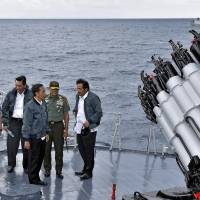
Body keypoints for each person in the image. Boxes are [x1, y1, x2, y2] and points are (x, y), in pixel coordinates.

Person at [2, 76, 33, 173]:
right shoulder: (11, 94)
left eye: (19, 86)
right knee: (11, 145)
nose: (17, 88)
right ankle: (11, 164)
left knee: (26, 145)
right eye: (16, 85)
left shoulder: (31, 94)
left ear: (24, 85)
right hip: (13, 122)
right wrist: (6, 123)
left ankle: (26, 166)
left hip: (26, 123)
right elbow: (5, 108)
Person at [73, 79, 103, 180]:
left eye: (80, 89)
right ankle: (85, 169)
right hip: (79, 128)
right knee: (81, 150)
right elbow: (78, 108)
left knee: (89, 151)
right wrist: (75, 112)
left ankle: (88, 172)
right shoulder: (78, 96)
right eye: (77, 88)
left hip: (89, 129)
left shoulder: (93, 98)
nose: (78, 90)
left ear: (86, 89)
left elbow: (99, 113)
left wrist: (89, 121)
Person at [22, 84, 49, 186]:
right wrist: (27, 140)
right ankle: (33, 180)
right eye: (43, 91)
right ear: (37, 93)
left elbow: (45, 120)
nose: (45, 93)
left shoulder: (43, 103)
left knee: (40, 158)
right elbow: (26, 124)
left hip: (42, 136)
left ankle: (36, 177)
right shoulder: (29, 106)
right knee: (34, 159)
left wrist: (46, 132)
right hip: (33, 138)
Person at [44, 81, 70, 179]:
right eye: (53, 89)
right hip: (47, 127)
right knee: (46, 150)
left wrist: (66, 129)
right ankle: (47, 170)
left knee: (59, 150)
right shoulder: (44, 98)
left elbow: (66, 115)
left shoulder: (63, 99)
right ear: (49, 88)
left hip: (59, 126)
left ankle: (59, 171)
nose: (55, 91)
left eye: (56, 89)